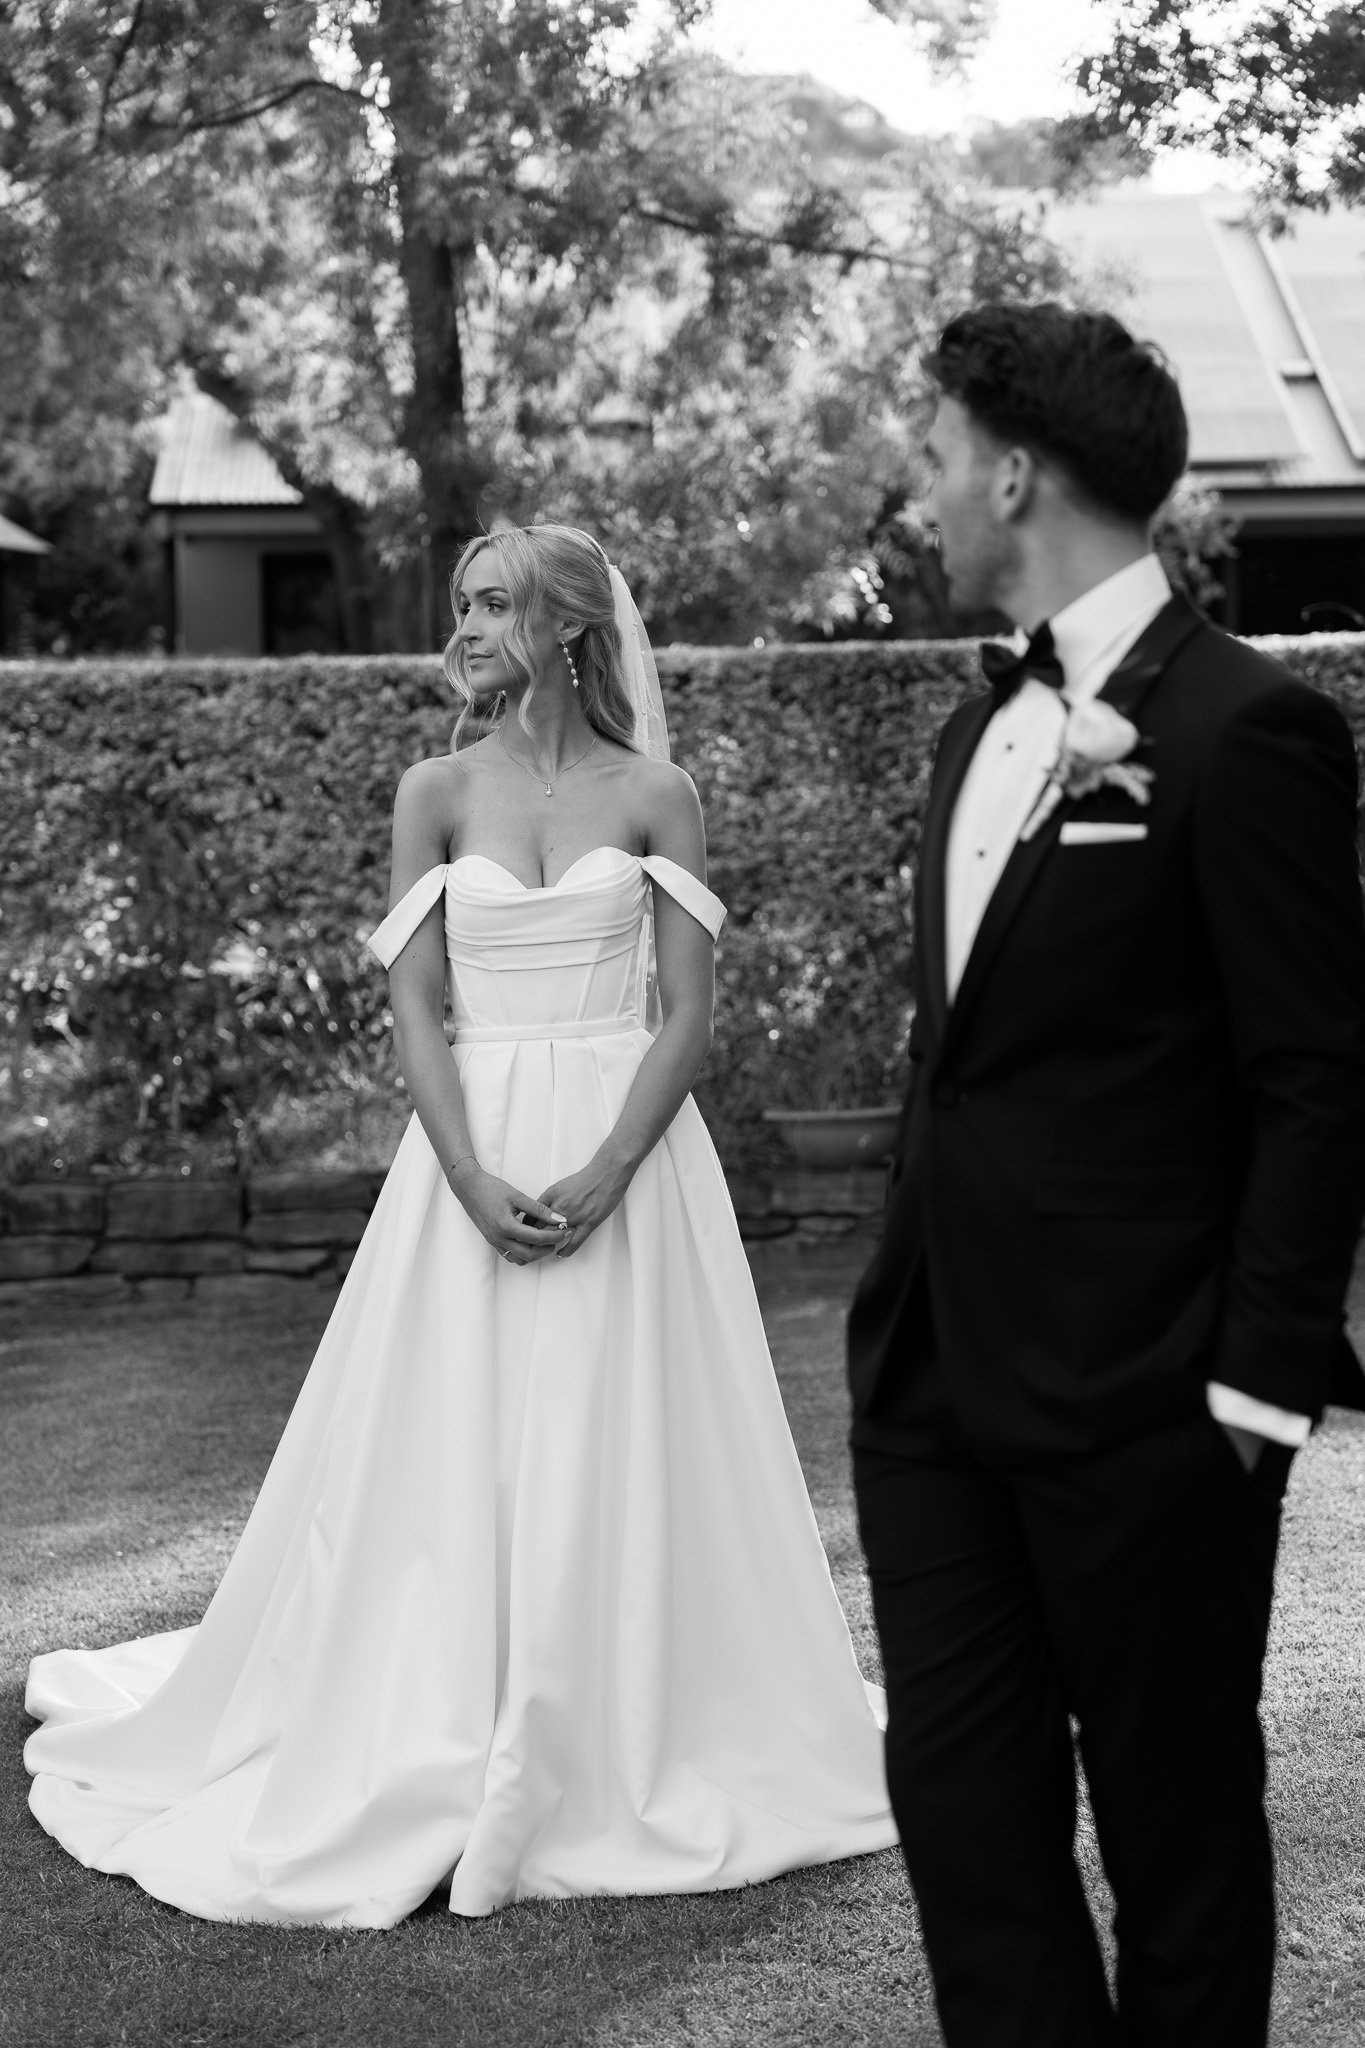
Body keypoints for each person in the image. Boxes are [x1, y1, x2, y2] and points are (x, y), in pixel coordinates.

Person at [26, 522, 895, 1926]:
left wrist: (612, 1166)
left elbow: (687, 1016)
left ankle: (628, 1717)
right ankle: (436, 1699)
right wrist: (470, 1174)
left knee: (629, 1431)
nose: (470, 625)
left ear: (568, 626)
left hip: (633, 1156)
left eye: (496, 603)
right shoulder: (431, 789)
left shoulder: (656, 792)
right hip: (467, 1156)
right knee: (448, 1440)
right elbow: (416, 1009)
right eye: (463, 603)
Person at [848, 303, 1365, 2046]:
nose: (914, 492)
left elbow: (1314, 1079)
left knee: (1178, 1841)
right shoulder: (969, 737)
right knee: (967, 1833)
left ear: (1010, 470)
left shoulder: (1247, 731)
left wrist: (1254, 1393)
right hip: (931, 1385)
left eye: (928, 457)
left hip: (1152, 1405)